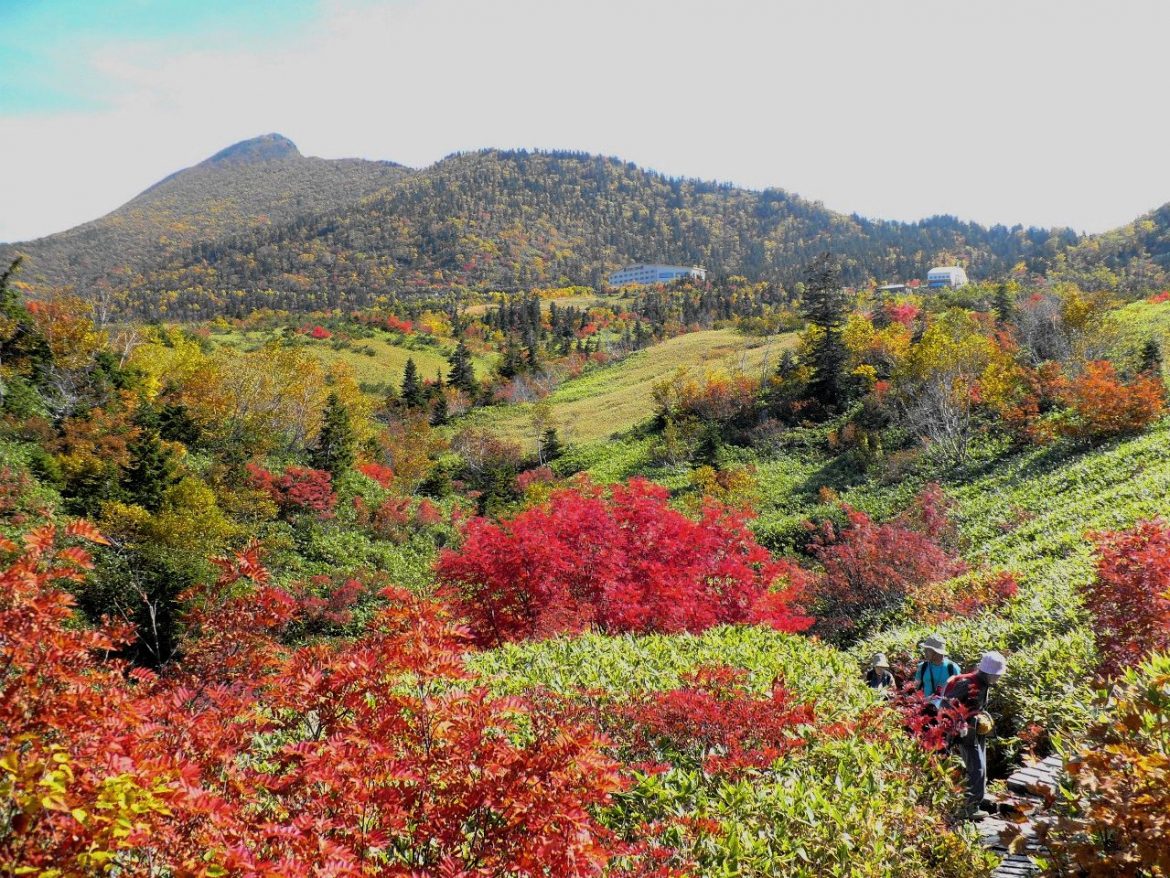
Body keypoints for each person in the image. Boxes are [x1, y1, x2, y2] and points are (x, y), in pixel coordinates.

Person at [943, 651, 1007, 820]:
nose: (998, 679)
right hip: (965, 732)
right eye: (996, 676)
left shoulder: (984, 683)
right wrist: (962, 723)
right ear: (988, 673)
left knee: (982, 764)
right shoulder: (966, 683)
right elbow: (948, 705)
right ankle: (970, 808)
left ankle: (979, 797)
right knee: (976, 767)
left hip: (976, 730)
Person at [914, 634, 961, 709]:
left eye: (928, 650)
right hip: (925, 709)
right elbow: (916, 689)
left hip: (945, 712)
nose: (925, 652)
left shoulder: (952, 668)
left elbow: (959, 692)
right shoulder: (922, 667)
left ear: (936, 652)